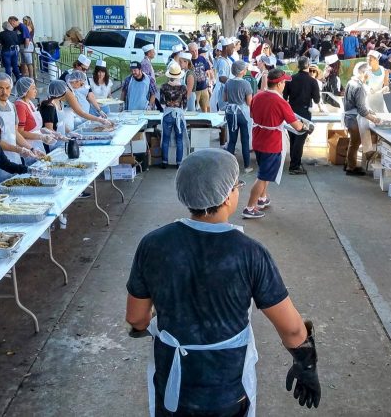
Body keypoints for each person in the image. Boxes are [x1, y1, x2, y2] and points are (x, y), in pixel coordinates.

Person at [125, 149, 321, 416]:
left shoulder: (153, 244)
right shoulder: (251, 253)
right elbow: (293, 330)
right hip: (227, 391)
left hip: (173, 384)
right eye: (238, 185)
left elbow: (137, 319)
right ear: (228, 195)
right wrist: (306, 364)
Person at [243, 70, 308, 219]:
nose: (284, 85)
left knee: (264, 172)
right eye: (284, 82)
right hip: (272, 143)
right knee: (263, 176)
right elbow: (297, 126)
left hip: (258, 138)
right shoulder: (281, 102)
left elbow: (253, 115)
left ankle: (262, 198)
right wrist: (304, 126)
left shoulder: (258, 96)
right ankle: (249, 207)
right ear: (279, 84)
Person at [0, 73, 44, 181]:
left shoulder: (12, 106)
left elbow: (15, 133)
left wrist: (31, 148)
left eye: (7, 88)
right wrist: (18, 149)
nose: (4, 92)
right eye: (0, 88)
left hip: (14, 155)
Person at [283, 56, 320, 175]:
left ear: (298, 66)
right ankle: (294, 166)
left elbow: (284, 97)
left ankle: (295, 162)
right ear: (308, 66)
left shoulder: (290, 79)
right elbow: (317, 99)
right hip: (305, 112)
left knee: (294, 138)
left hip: (291, 111)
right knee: (300, 139)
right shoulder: (312, 81)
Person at [344, 62, 381, 175]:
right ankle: (351, 167)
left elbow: (360, 105)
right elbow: (361, 110)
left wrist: (369, 111)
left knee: (353, 143)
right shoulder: (359, 87)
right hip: (355, 119)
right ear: (363, 73)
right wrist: (374, 119)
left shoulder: (351, 82)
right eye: (368, 73)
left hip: (349, 117)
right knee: (355, 144)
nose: (369, 75)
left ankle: (348, 163)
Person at [224, 60, 254, 173]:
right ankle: (246, 166)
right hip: (242, 113)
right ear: (242, 71)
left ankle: (228, 166)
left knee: (232, 140)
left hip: (230, 112)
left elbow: (225, 98)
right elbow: (249, 102)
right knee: (245, 140)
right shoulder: (246, 84)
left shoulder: (228, 82)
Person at [13, 77, 55, 157]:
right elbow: (20, 132)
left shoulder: (30, 103)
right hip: (27, 145)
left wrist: (47, 132)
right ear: (25, 91)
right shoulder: (20, 106)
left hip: (36, 142)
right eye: (33, 88)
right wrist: (40, 136)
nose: (36, 91)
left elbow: (34, 128)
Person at [160, 64, 188, 168]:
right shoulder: (183, 88)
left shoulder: (163, 87)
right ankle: (179, 163)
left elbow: (162, 102)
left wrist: (168, 106)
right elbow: (185, 103)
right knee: (179, 140)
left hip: (167, 113)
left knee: (166, 139)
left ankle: (164, 162)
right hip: (178, 115)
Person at [39, 80, 70, 152]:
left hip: (60, 141)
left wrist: (69, 132)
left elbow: (61, 122)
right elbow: (48, 129)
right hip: (51, 143)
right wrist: (60, 137)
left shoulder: (60, 102)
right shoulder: (49, 106)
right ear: (62, 92)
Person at [188, 42, 212, 112]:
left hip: (204, 88)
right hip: (194, 90)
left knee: (206, 109)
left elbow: (207, 69)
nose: (195, 53)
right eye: (192, 51)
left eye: (196, 50)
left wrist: (209, 81)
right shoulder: (189, 61)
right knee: (193, 110)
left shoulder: (202, 58)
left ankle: (206, 122)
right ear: (189, 52)